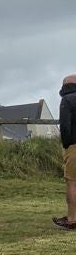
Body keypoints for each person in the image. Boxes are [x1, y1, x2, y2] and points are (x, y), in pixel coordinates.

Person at [54, 74, 76, 231]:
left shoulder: (67, 100)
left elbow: (65, 127)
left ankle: (72, 219)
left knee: (72, 182)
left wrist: (67, 145)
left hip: (74, 146)